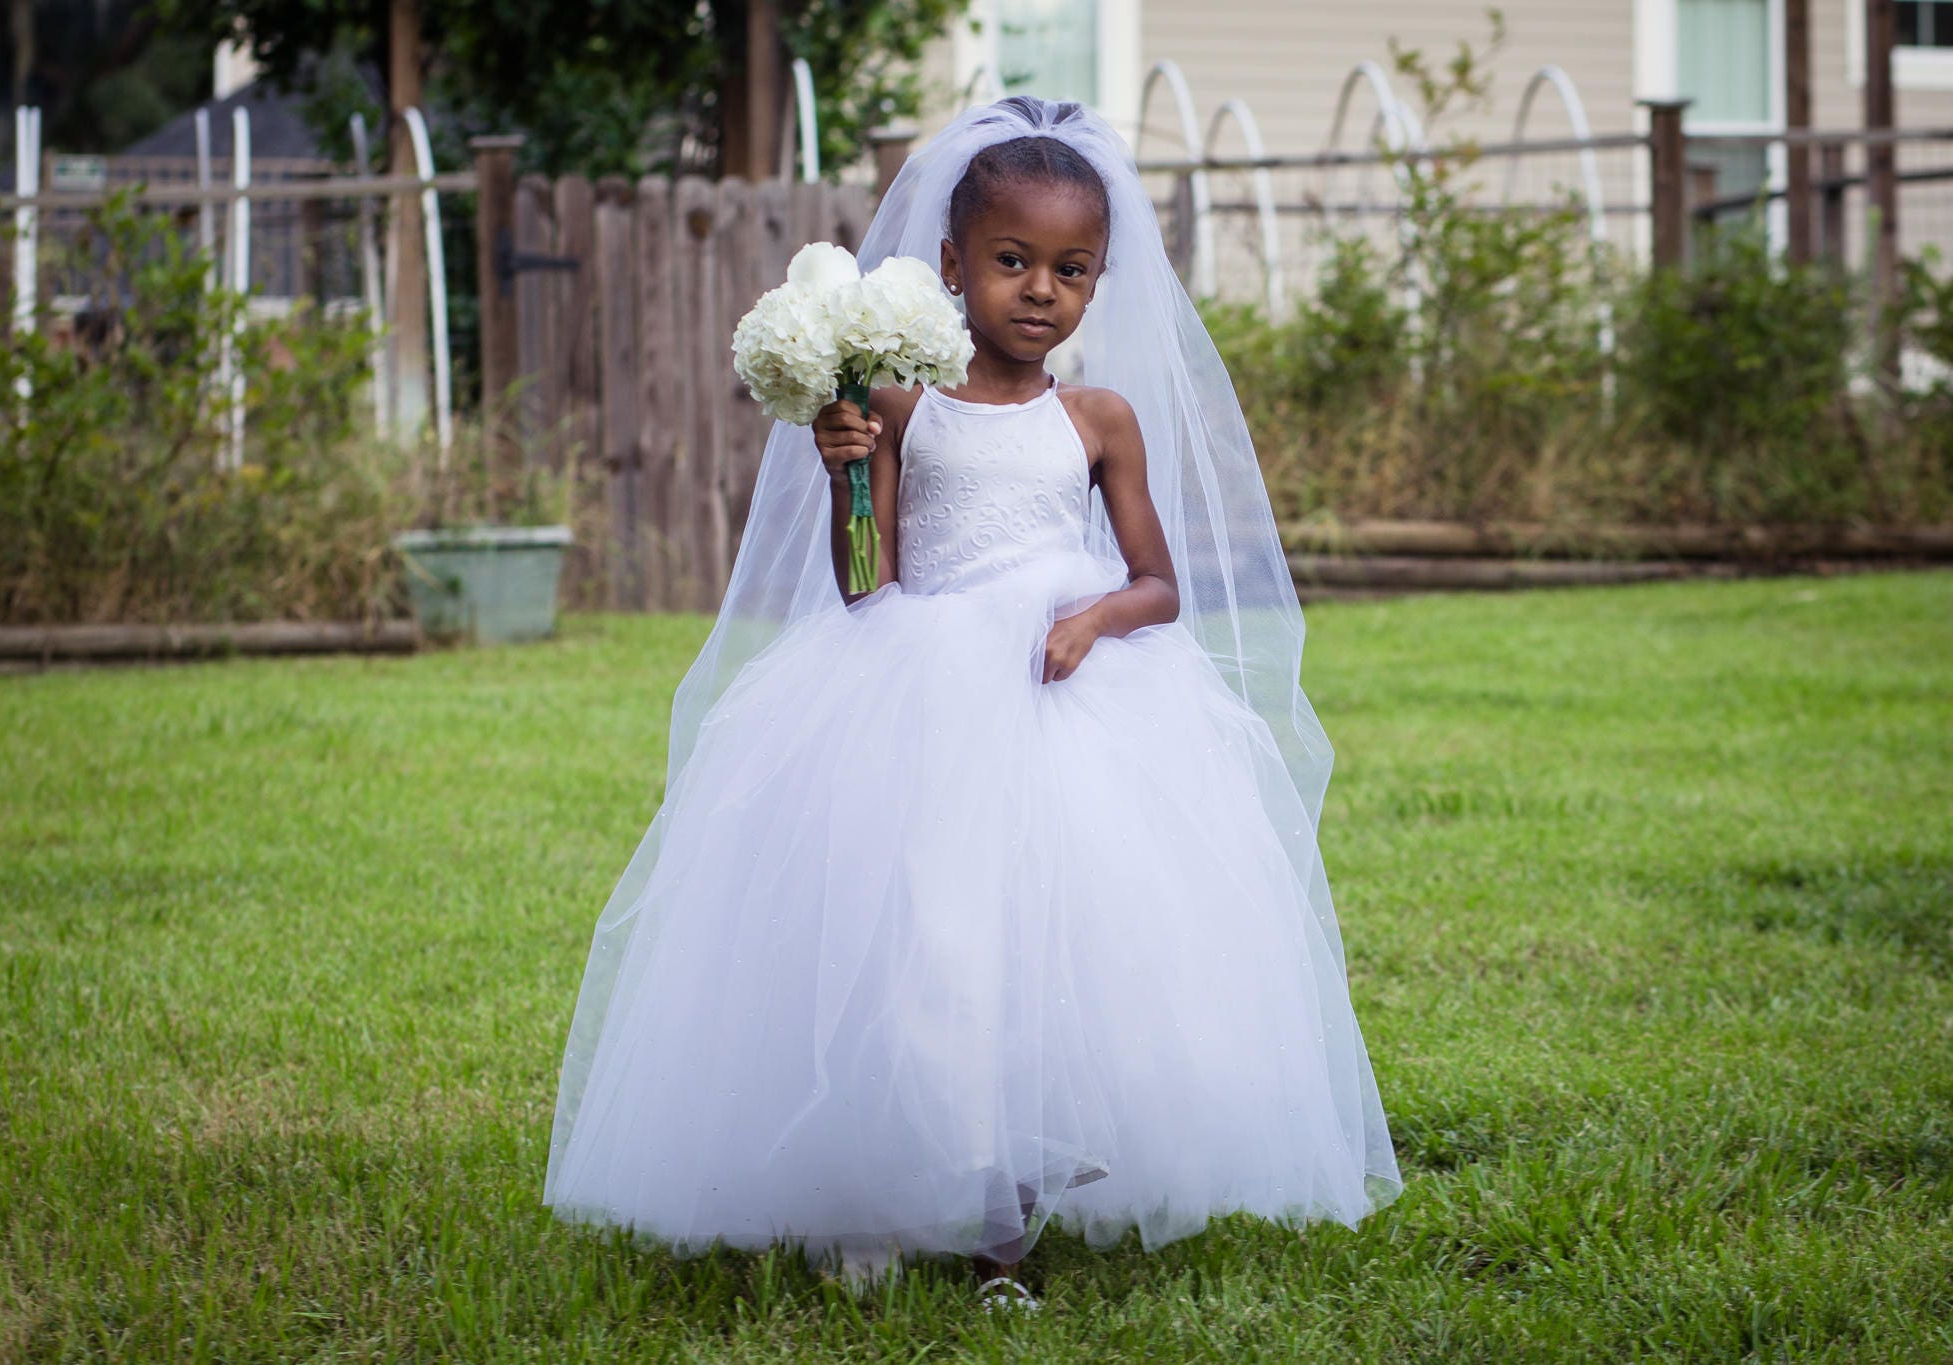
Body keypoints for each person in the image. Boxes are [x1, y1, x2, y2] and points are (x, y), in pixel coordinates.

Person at [543, 96, 1401, 1309]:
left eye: (1070, 269)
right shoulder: (900, 407)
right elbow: (862, 584)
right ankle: (883, 1187)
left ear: (1100, 282)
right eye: (1010, 262)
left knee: (1054, 948)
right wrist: (838, 466)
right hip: (916, 693)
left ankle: (1006, 1230)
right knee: (921, 944)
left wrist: (1091, 619)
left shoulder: (1098, 419)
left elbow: (1159, 582)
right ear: (950, 266)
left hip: (1066, 695)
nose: (1038, 290)